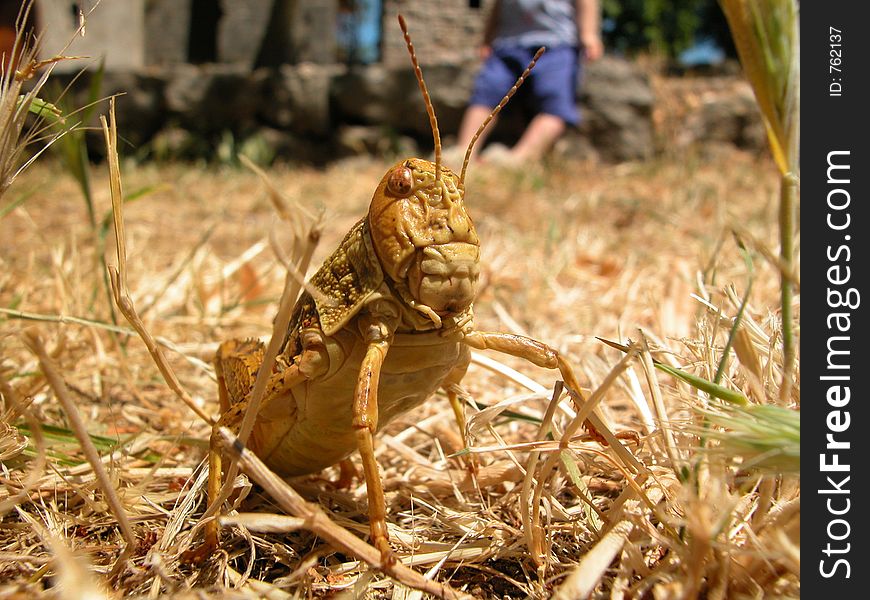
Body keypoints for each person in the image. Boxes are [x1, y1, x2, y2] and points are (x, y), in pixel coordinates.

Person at [450, 0, 602, 166]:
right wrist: (487, 39)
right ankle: (464, 150)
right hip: (507, 44)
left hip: (557, 43)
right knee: (486, 93)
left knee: (555, 104)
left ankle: (520, 157)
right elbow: (497, 6)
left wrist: (589, 33)